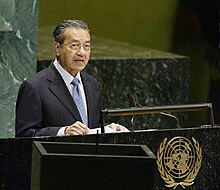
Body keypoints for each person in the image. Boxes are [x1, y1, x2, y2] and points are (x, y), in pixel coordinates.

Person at [15, 19, 129, 137]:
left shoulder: (92, 85)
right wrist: (62, 132)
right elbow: (24, 136)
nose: (81, 52)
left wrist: (107, 129)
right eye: (74, 45)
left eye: (86, 46)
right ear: (57, 48)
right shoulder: (35, 87)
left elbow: (90, 130)